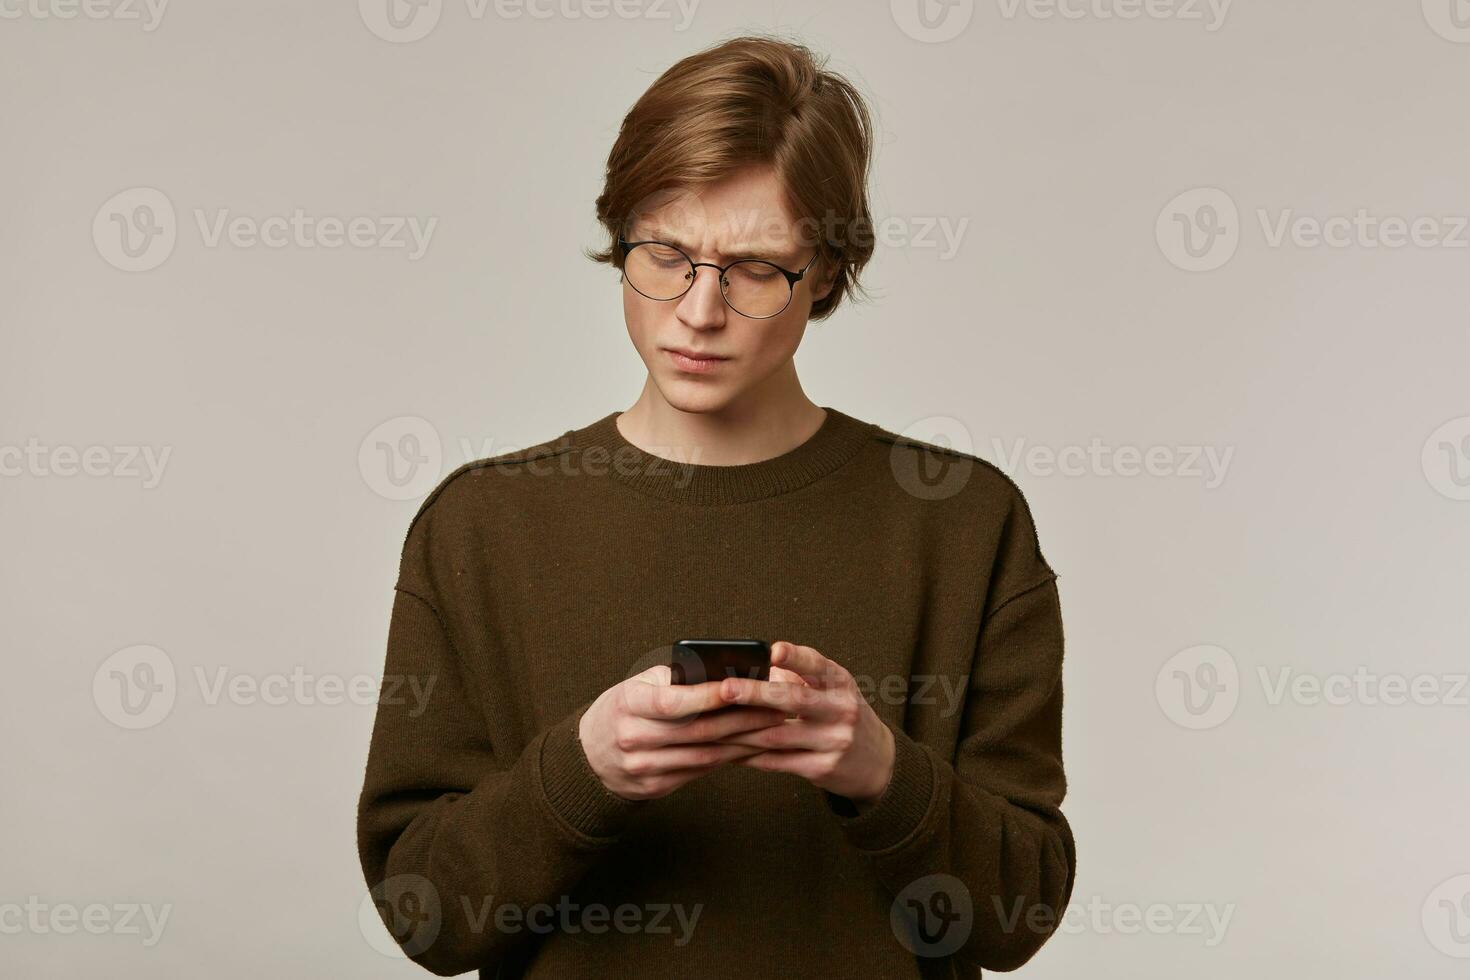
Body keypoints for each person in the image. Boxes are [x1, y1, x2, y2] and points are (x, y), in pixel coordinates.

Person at [357, 33, 1075, 979]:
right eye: (667, 254)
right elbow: (427, 921)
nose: (698, 310)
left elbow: (1017, 917)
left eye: (754, 269)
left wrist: (880, 772)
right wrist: (583, 772)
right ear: (621, 242)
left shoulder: (964, 524)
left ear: (824, 273)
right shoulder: (481, 526)